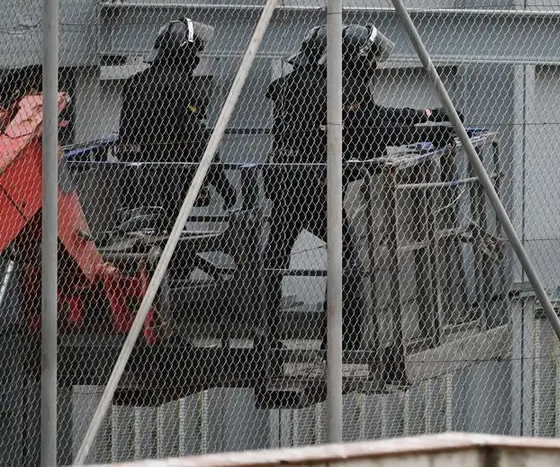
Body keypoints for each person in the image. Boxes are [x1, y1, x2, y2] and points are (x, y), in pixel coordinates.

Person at [260, 23, 457, 363]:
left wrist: (421, 117)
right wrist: (426, 131)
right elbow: (370, 129)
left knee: (274, 261)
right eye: (370, 57)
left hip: (284, 180)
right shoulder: (340, 87)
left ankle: (268, 339)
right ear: (353, 57)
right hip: (314, 187)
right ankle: (342, 342)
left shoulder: (293, 85)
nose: (374, 65)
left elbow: (369, 118)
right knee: (347, 257)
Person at [114, 18, 237, 217]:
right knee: (172, 237)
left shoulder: (134, 82)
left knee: (163, 239)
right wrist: (225, 187)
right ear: (185, 54)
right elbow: (197, 140)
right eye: (194, 53)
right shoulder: (181, 85)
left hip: (129, 174)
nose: (196, 59)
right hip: (167, 179)